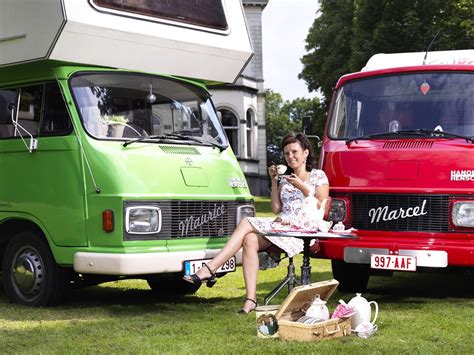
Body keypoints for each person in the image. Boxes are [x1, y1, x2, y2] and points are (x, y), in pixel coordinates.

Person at [183, 133, 329, 314]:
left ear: (306, 153)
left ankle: (210, 268)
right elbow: (276, 208)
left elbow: (321, 208)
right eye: (286, 154)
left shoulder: (318, 176)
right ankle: (251, 300)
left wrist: (304, 188)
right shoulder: (286, 179)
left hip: (303, 230)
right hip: (281, 225)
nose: (290, 157)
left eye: (294, 152)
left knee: (246, 222)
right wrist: (274, 181)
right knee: (250, 239)